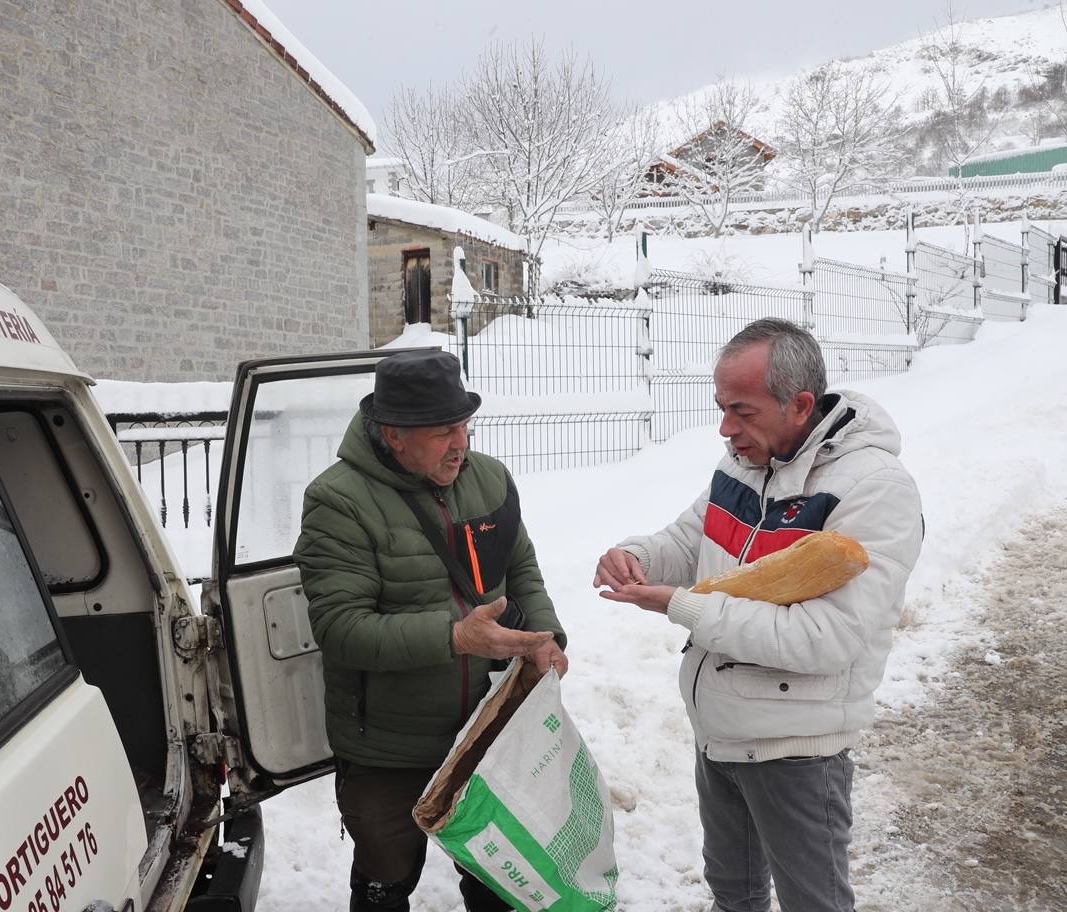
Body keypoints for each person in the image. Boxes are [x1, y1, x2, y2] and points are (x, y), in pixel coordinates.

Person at [594, 318, 922, 912]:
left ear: (799, 404)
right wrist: (637, 556)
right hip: (720, 731)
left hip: (794, 750)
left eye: (742, 411)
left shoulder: (874, 490)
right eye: (722, 408)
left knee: (812, 902)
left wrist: (683, 605)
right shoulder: (745, 463)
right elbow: (692, 540)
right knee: (734, 894)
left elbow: (826, 639)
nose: (726, 428)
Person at [293, 348, 568, 912]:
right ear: (395, 435)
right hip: (390, 746)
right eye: (444, 431)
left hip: (487, 725)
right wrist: (456, 637)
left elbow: (520, 569)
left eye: (464, 424)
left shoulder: (488, 478)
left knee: (494, 873)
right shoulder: (337, 501)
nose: (461, 443)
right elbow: (342, 629)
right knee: (386, 879)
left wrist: (545, 638)